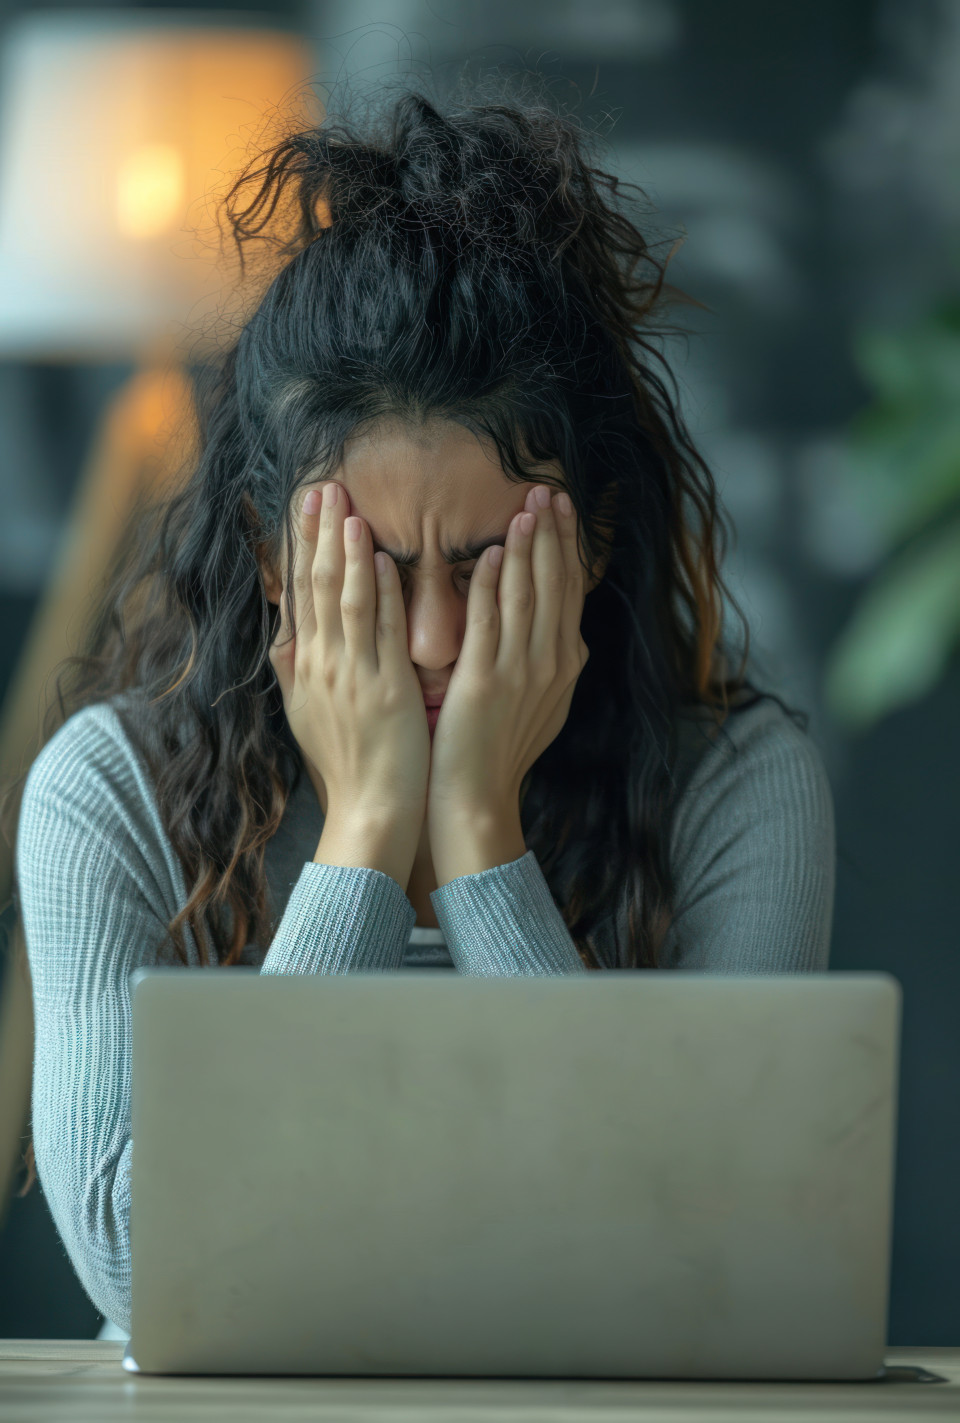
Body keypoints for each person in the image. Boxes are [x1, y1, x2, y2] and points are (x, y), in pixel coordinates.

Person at [5, 78, 835, 1339]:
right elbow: (144, 1266)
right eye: (379, 572)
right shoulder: (106, 791)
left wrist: (481, 835)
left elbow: (704, 1255)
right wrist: (369, 827)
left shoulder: (739, 783)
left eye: (488, 562)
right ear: (274, 557)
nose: (438, 639)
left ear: (594, 539)